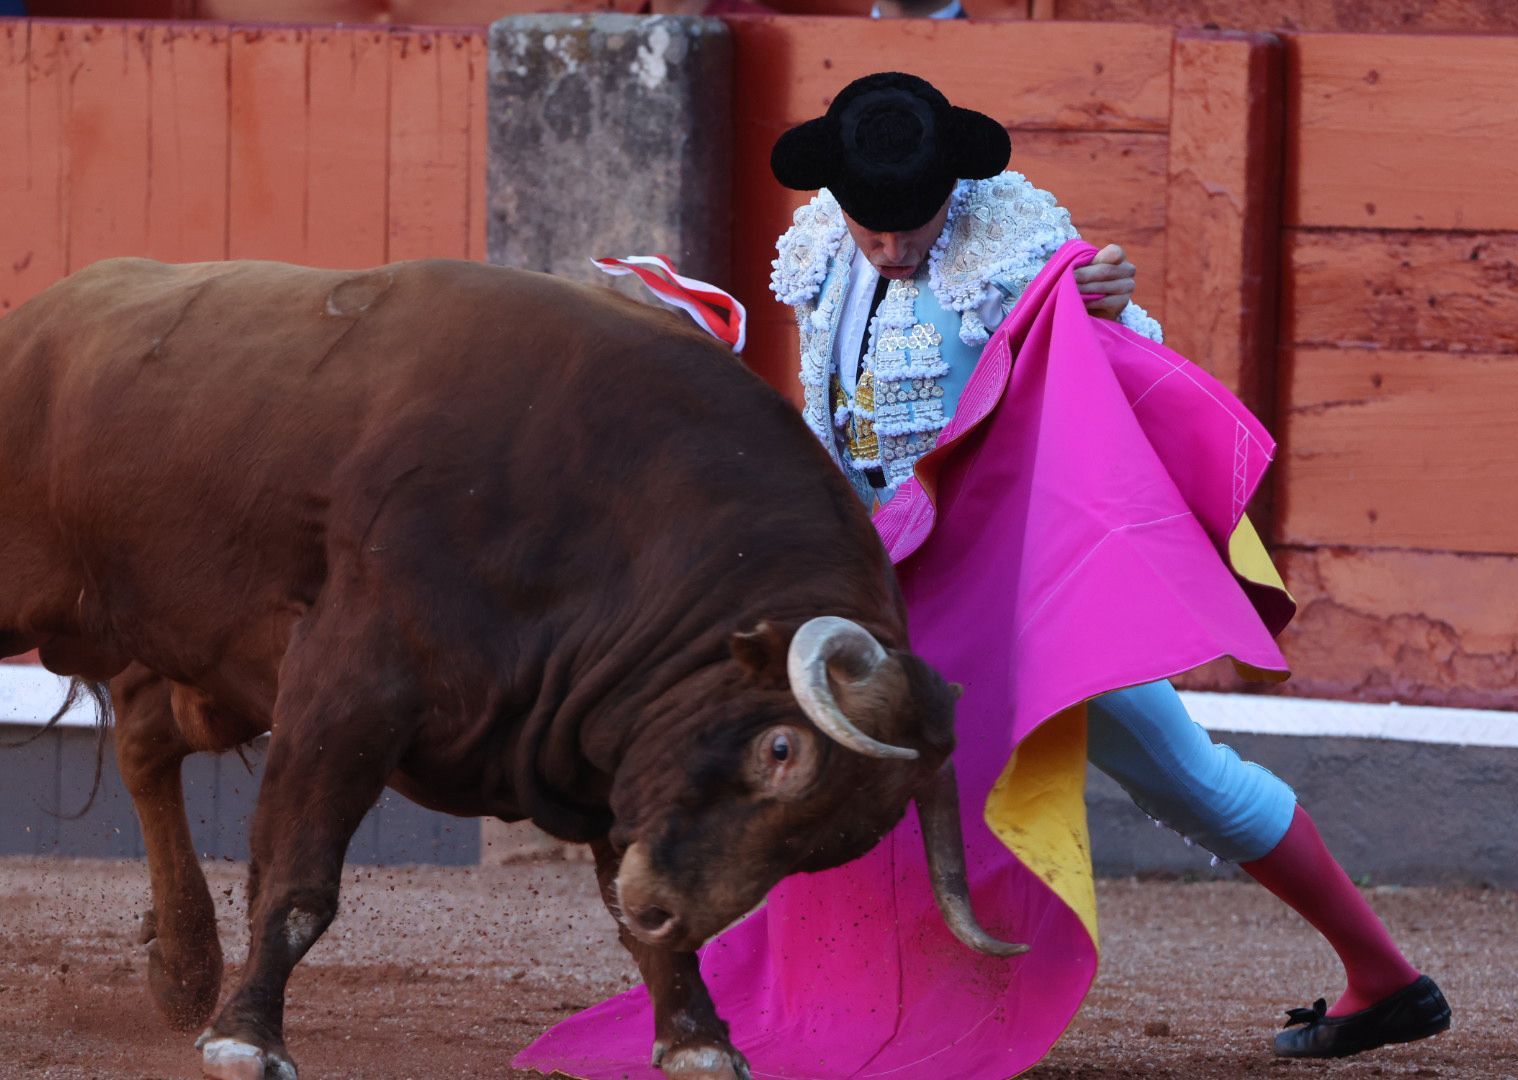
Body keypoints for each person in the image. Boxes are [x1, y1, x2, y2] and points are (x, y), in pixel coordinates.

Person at [517, 72, 1449, 1079]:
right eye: (871, 227)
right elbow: (835, 414)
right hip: (883, 584)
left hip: (1021, 589)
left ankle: (1382, 974)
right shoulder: (825, 247)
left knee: (1187, 778)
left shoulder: (1017, 251)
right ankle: (823, 998)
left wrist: (1115, 310)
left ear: (950, 191)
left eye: (907, 226)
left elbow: (1119, 382)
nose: (889, 247)